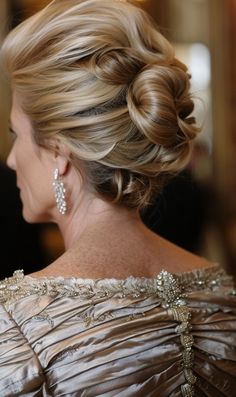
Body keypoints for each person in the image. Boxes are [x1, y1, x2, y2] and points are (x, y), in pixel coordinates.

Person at [0, 0, 235, 395]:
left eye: (14, 134)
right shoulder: (222, 294)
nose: (10, 159)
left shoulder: (18, 326)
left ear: (59, 154)